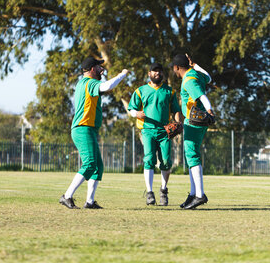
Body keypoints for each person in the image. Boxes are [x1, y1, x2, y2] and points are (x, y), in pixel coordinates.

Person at [59, 57, 128, 209]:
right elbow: (108, 85)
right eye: (98, 67)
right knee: (90, 164)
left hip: (87, 129)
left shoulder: (83, 83)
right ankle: (67, 196)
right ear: (91, 69)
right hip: (83, 128)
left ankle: (90, 202)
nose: (101, 70)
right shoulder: (89, 82)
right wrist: (122, 74)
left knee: (97, 166)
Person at [128, 62, 182, 206]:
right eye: (154, 71)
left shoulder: (169, 91)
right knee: (149, 159)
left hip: (164, 131)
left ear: (163, 74)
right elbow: (131, 109)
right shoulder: (141, 90)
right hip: (147, 130)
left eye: (159, 71)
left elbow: (176, 110)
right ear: (149, 74)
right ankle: (150, 192)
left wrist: (178, 123)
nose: (157, 73)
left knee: (165, 161)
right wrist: (137, 113)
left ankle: (163, 190)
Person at [170, 53, 214, 209]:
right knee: (190, 156)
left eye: (174, 68)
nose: (174, 71)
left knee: (192, 155)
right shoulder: (196, 73)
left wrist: (209, 109)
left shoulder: (188, 79)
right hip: (198, 121)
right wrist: (195, 65)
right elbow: (208, 78)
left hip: (194, 120)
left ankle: (200, 195)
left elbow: (201, 96)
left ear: (177, 67)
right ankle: (194, 193)